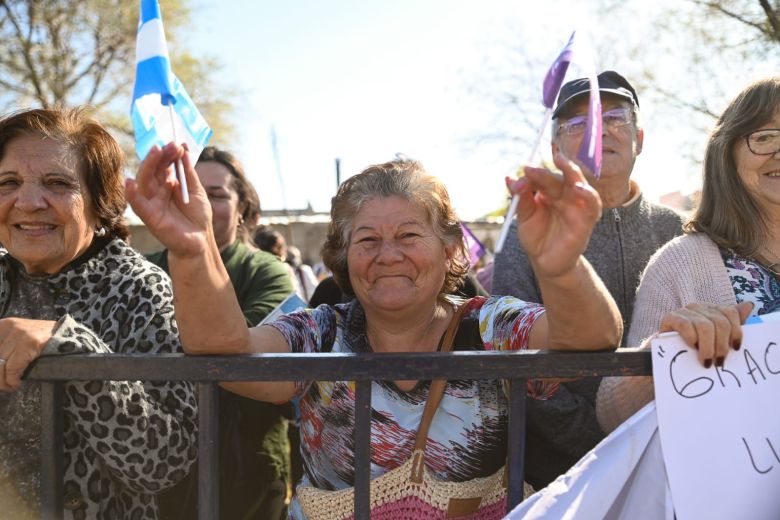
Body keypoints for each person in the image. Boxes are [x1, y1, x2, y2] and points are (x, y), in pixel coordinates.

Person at [127, 143, 622, 519]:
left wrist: (561, 266)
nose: (389, 255)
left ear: (452, 249)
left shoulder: (488, 324)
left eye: (409, 235)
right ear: (343, 256)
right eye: (368, 239)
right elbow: (227, 351)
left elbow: (590, 340)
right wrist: (192, 249)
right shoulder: (319, 332)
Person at [491, 70, 686, 489]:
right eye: (577, 124)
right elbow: (516, 357)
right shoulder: (529, 231)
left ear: (640, 138)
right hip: (561, 475)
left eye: (615, 117)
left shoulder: (680, 231)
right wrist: (601, 440)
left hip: (675, 458)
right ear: (555, 145)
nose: (599, 131)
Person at [0, 108, 197, 519]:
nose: (29, 201)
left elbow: (166, 463)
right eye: (9, 183)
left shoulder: (141, 289)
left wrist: (71, 348)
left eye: (57, 183)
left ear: (99, 203)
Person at [596, 76, 780, 432]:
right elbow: (612, 415)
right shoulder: (679, 264)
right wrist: (664, 352)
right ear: (727, 155)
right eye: (765, 137)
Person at [149, 145, 294, 520]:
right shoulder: (142, 269)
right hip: (157, 466)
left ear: (243, 207)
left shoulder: (267, 271)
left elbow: (241, 348)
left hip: (247, 468)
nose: (200, 201)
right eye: (190, 188)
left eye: (216, 194)